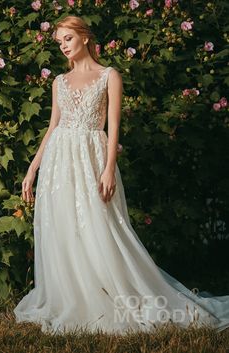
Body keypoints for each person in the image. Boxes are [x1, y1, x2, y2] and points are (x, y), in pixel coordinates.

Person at [13, 15, 229, 336]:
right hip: (60, 160)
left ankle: (112, 293)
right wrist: (33, 169)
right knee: (64, 226)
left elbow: (113, 127)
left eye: (68, 39)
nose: (63, 47)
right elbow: (52, 127)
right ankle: (74, 294)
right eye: (59, 42)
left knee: (98, 224)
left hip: (91, 156)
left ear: (85, 37)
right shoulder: (59, 81)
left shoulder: (109, 76)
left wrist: (109, 167)